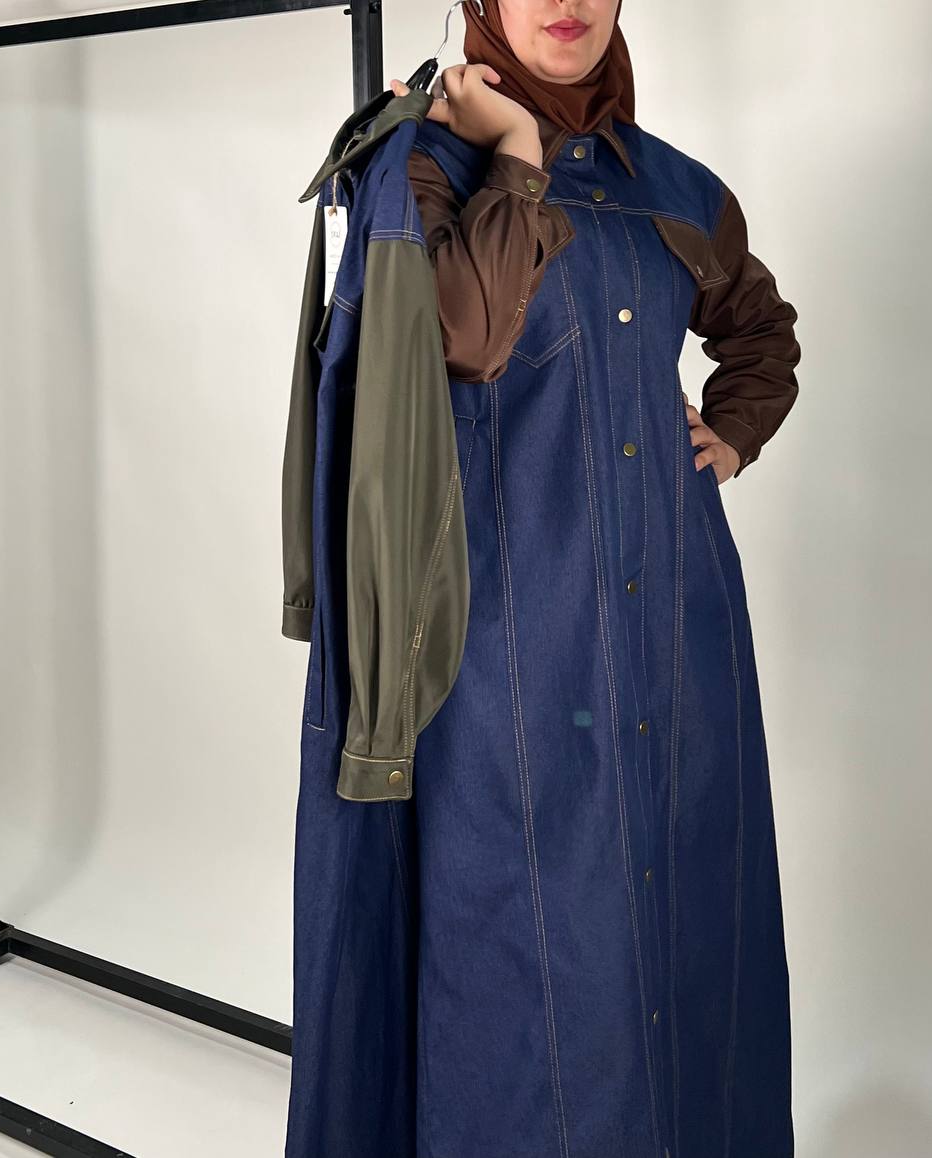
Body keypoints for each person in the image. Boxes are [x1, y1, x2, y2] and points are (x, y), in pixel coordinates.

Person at [377, 2, 800, 1156]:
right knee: (528, 942)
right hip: (506, 632)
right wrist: (515, 153)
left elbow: (759, 332)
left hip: (676, 614)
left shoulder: (673, 187)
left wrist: (730, 432)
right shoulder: (421, 165)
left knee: (685, 919)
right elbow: (461, 335)